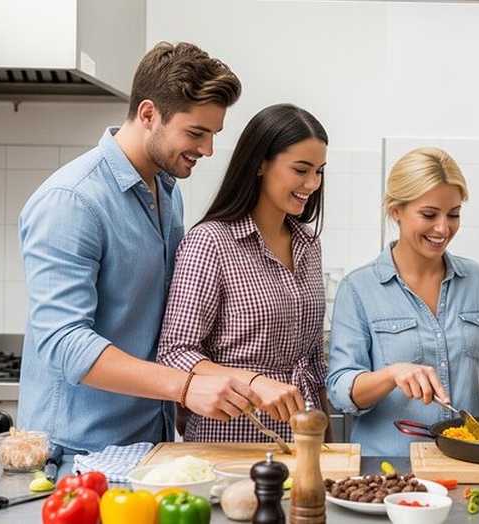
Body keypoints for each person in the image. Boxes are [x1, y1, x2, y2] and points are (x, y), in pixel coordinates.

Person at [18, 41, 261, 454]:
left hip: (148, 441)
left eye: (213, 135)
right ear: (149, 114)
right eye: (196, 133)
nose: (207, 150)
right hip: (77, 453)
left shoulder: (167, 192)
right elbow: (65, 342)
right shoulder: (73, 200)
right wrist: (186, 387)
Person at [326, 147, 479, 456]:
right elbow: (341, 391)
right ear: (396, 210)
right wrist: (392, 374)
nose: (443, 228)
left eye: (453, 214)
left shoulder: (475, 279)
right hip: (391, 469)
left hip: (466, 461)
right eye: (429, 214)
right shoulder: (359, 288)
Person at [156, 103, 331, 443]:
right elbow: (175, 353)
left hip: (301, 442)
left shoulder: (309, 244)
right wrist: (252, 381)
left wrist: (327, 441)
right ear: (260, 164)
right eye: (301, 169)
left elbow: (312, 361)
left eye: (319, 171)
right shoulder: (210, 243)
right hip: (229, 441)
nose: (312, 183)